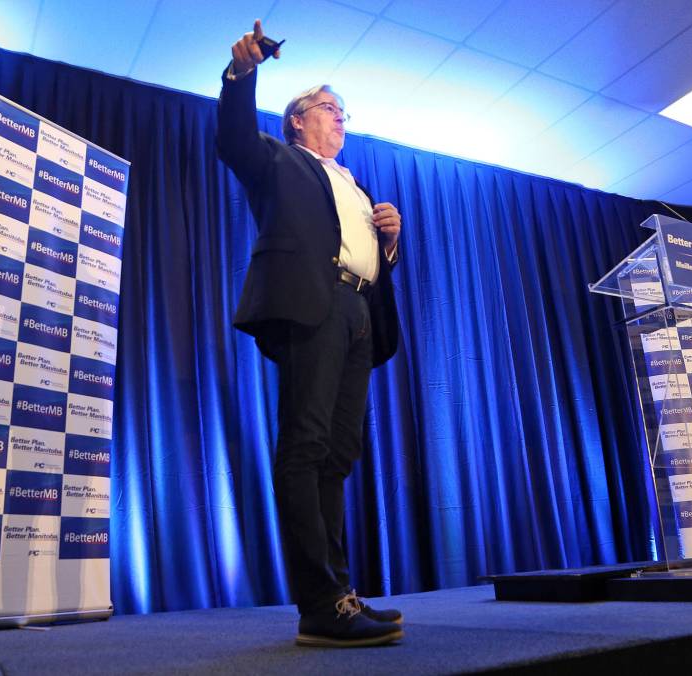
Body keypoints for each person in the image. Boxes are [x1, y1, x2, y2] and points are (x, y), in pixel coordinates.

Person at [217, 20, 404, 648]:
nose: (340, 119)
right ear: (297, 120)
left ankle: (341, 596)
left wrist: (391, 241)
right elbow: (234, 138)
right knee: (306, 446)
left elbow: (366, 256)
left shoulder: (355, 183)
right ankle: (318, 603)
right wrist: (242, 75)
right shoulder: (279, 159)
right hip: (312, 305)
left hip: (359, 312)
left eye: (345, 113)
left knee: (338, 456)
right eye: (329, 109)